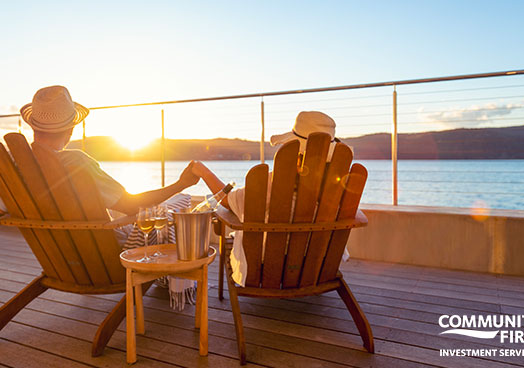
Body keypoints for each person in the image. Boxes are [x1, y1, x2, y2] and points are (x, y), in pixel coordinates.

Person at [16, 85, 200, 308]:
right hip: (104, 257)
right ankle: (176, 286)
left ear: (34, 127)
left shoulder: (17, 169)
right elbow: (133, 206)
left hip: (60, 259)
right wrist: (181, 184)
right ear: (71, 129)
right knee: (178, 203)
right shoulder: (75, 163)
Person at [191, 111, 349, 286]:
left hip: (267, 268)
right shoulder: (337, 188)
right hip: (317, 265)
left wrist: (202, 171)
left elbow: (228, 201)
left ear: (296, 155)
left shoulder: (273, 183)